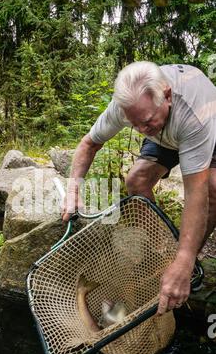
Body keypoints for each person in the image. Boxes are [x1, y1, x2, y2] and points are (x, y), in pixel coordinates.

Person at [62, 61, 216, 315]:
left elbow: (195, 195)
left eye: (145, 121)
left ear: (166, 96)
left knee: (211, 190)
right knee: (137, 181)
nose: (141, 130)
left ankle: (188, 262)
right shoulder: (129, 108)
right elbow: (89, 144)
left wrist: (184, 261)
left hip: (208, 127)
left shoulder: (193, 117)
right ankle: (162, 252)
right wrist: (72, 191)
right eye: (134, 125)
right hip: (166, 130)